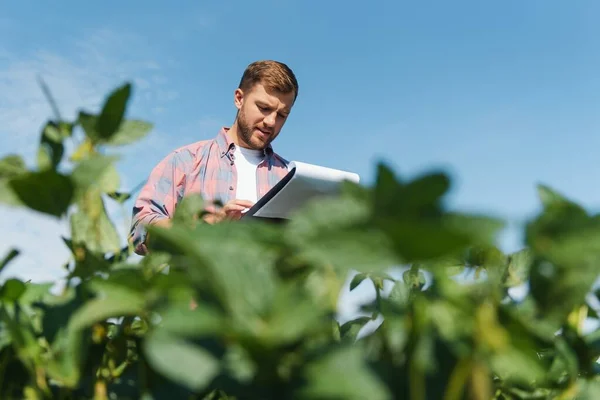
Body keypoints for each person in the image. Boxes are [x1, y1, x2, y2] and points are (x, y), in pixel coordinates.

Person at [129, 60, 299, 255]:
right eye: (264, 108)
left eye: (282, 115)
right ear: (239, 98)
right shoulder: (185, 161)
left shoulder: (289, 178)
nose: (271, 121)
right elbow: (140, 230)